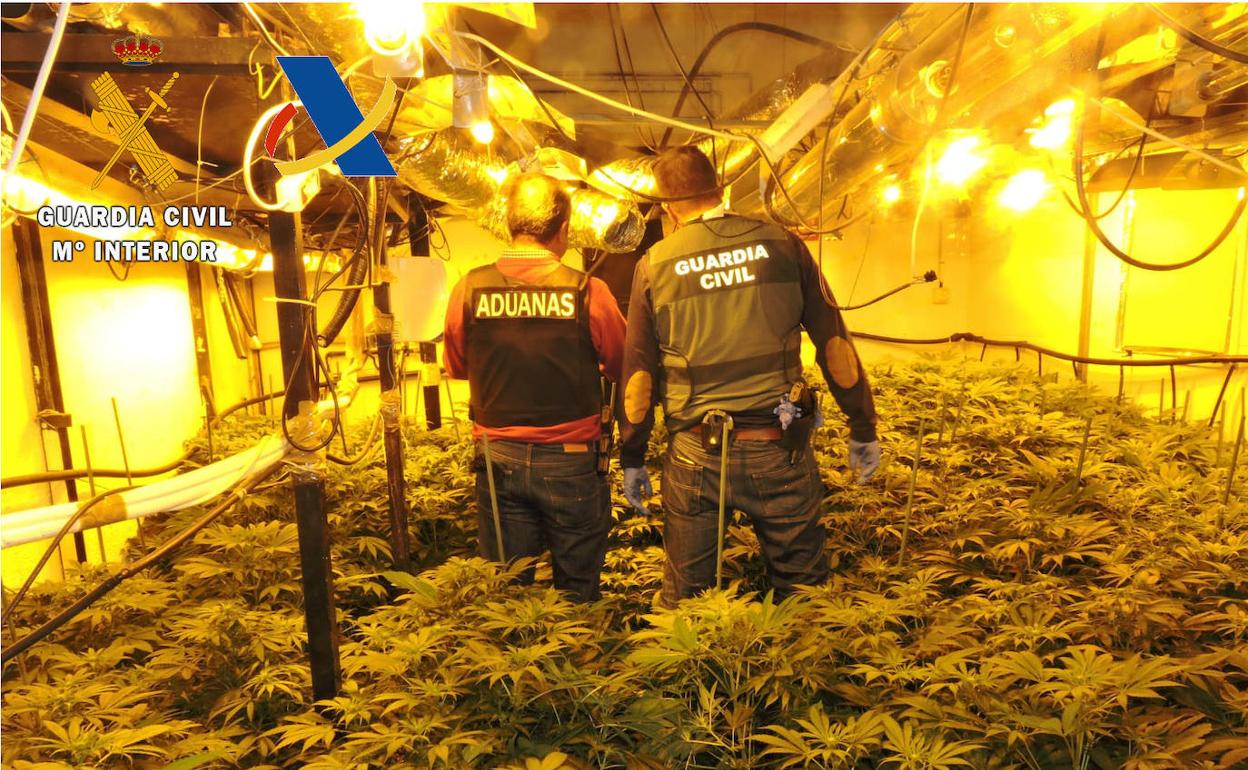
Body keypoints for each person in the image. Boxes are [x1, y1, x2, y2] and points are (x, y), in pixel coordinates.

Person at [618, 146, 881, 608]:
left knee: (689, 605)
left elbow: (639, 373)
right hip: (779, 446)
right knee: (804, 596)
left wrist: (632, 455)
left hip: (696, 453)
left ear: (668, 207)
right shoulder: (784, 244)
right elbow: (834, 345)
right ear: (720, 188)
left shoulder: (655, 264)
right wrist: (862, 426)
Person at [443, 173, 626, 602]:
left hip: (497, 458)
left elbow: (457, 366)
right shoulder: (588, 290)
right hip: (572, 460)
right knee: (578, 591)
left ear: (510, 225)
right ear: (563, 229)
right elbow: (622, 363)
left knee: (507, 592)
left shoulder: (469, 287)